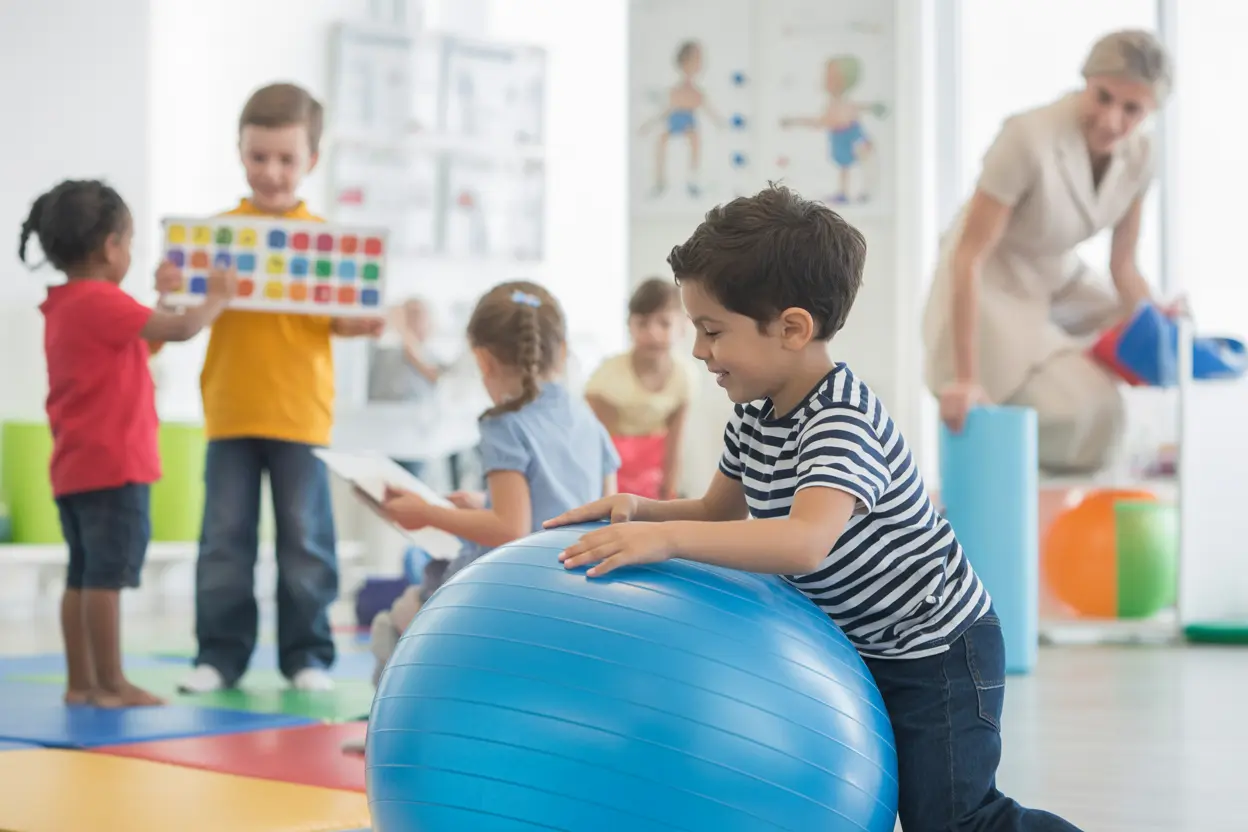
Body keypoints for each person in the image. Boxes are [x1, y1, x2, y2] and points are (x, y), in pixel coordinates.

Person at [548, 185, 1083, 831]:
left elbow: (805, 541)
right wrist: (638, 511)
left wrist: (667, 542)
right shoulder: (753, 415)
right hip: (855, 648)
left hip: (935, 647)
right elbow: (719, 509)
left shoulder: (841, 419)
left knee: (954, 820)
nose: (697, 350)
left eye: (712, 330)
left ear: (792, 328)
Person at [156, 83, 384, 694]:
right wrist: (174, 285)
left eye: (286, 159)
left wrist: (360, 322)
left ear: (311, 160)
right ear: (240, 152)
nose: (272, 172)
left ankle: (307, 655)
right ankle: (220, 655)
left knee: (306, 543)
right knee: (224, 543)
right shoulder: (219, 237)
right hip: (230, 412)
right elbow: (178, 307)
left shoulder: (326, 242)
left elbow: (337, 318)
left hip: (301, 416)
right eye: (259, 157)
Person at [20, 179, 235, 707]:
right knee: (106, 579)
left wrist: (164, 299)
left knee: (82, 574)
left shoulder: (69, 304)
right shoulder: (103, 301)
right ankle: (112, 681)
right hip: (113, 466)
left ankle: (80, 682)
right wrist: (216, 300)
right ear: (110, 247)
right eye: (131, 242)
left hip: (75, 466)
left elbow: (147, 341)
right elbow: (181, 330)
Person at [923, 30, 1175, 474]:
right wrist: (967, 379)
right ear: (1086, 80)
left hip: (1057, 273)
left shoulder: (1143, 156)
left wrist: (1158, 324)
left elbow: (1123, 266)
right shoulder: (1026, 137)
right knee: (1091, 412)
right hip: (992, 280)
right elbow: (969, 258)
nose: (1111, 120)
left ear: (1151, 111)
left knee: (1158, 346)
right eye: (1103, 97)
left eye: (1132, 109)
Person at [366, 280, 620, 685]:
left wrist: (427, 513)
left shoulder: (503, 423)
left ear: (483, 361)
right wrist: (484, 501)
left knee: (394, 621)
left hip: (508, 586)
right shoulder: (585, 418)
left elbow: (509, 529)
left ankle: (381, 735)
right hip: (575, 587)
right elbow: (603, 508)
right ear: (563, 349)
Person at [585, 278, 690, 500]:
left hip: (653, 472)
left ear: (683, 326)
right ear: (629, 326)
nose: (652, 333)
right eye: (642, 323)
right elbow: (599, 450)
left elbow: (674, 446)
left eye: (664, 323)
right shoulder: (607, 379)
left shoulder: (684, 376)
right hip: (614, 470)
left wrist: (669, 491)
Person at [780, 55, 889, 204]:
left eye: (831, 77)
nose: (826, 81)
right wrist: (794, 122)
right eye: (827, 76)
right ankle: (844, 193)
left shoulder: (844, 105)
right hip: (841, 139)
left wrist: (874, 108)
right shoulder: (832, 105)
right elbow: (820, 121)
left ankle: (864, 191)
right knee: (845, 168)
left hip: (854, 138)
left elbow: (830, 119)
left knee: (865, 165)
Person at [639, 40, 723, 198]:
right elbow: (665, 111)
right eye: (695, 60)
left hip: (688, 125)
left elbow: (708, 110)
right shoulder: (676, 91)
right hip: (674, 123)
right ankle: (660, 181)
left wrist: (720, 122)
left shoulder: (696, 92)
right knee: (662, 140)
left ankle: (692, 179)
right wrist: (648, 125)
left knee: (694, 138)